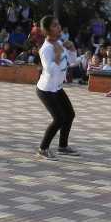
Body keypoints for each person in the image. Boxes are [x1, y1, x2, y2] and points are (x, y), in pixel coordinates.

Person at [35, 15, 78, 159]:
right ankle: (43, 149)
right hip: (46, 89)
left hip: (57, 88)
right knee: (59, 119)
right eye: (54, 25)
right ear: (47, 30)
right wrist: (58, 55)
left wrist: (72, 49)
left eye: (58, 24)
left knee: (69, 115)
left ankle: (63, 146)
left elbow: (72, 62)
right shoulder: (46, 49)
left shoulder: (60, 43)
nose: (58, 27)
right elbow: (50, 70)